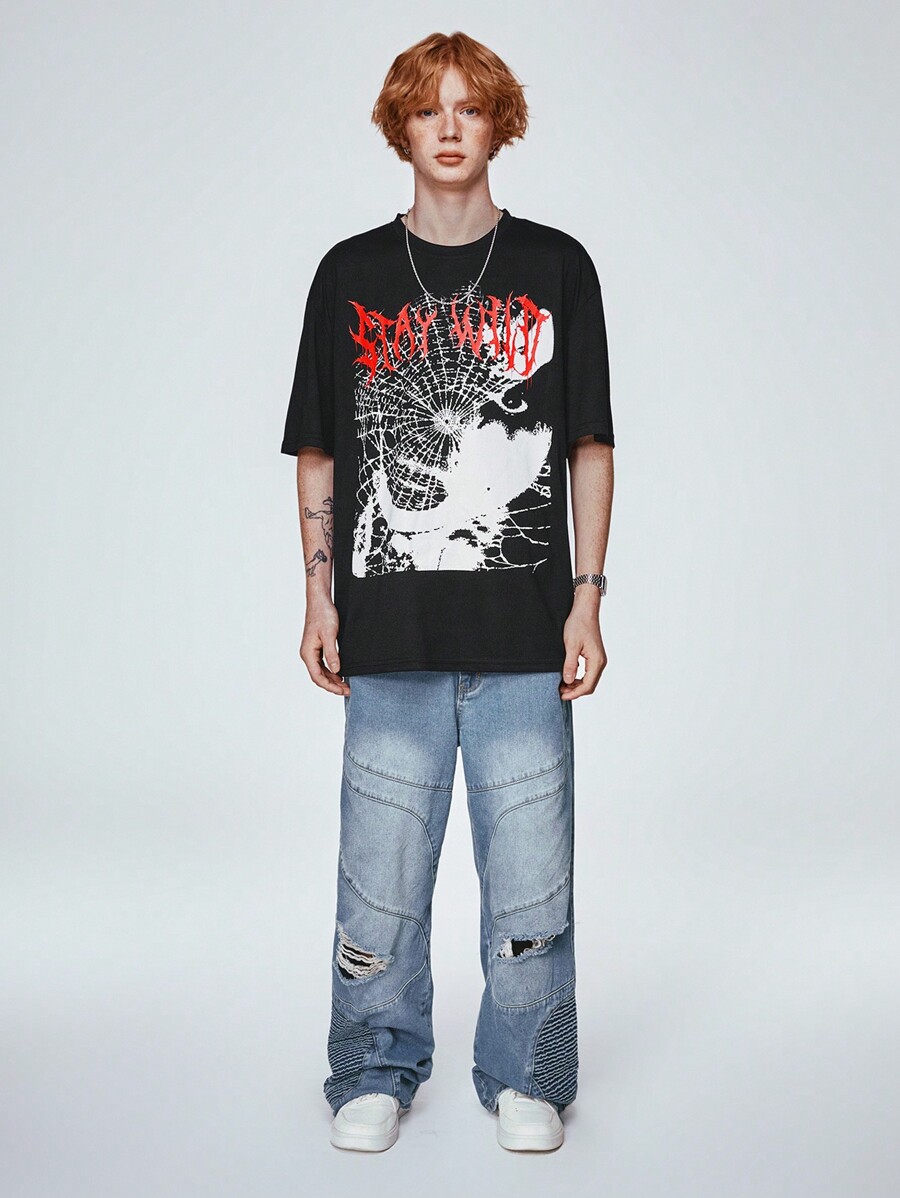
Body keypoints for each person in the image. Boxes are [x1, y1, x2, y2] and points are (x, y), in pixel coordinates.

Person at [281, 30, 615, 1153]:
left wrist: (588, 597)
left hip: (525, 639)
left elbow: (589, 445)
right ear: (403, 128)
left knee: (532, 887)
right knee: (377, 883)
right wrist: (319, 595)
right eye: (430, 109)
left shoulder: (558, 268)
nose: (452, 128)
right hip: (391, 638)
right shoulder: (350, 275)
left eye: (471, 108)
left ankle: (526, 1073)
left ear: (498, 123)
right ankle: (374, 1065)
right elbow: (320, 451)